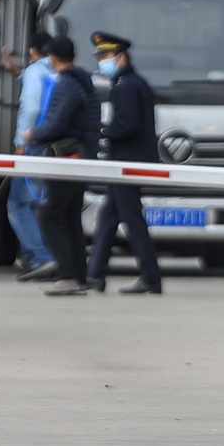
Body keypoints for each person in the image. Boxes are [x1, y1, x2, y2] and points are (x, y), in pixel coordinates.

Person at [86, 31, 165, 295]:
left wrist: (101, 131)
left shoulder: (126, 86)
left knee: (132, 220)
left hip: (128, 162)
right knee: (108, 218)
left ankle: (151, 277)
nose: (102, 61)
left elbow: (126, 124)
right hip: (128, 161)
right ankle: (95, 275)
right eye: (100, 57)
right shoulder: (130, 82)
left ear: (121, 57)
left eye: (106, 56)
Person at [28, 34, 101, 296]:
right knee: (69, 217)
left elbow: (57, 123)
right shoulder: (84, 82)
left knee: (48, 214)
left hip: (67, 158)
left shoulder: (66, 85)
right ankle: (79, 276)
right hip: (83, 157)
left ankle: (67, 276)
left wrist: (33, 134)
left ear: (52, 58)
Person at [7, 31, 57, 277]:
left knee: (20, 203)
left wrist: (21, 141)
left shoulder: (35, 72)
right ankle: (54, 255)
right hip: (56, 146)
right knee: (45, 202)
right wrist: (17, 73)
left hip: (34, 145)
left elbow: (33, 105)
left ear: (31, 51)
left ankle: (39, 258)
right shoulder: (56, 70)